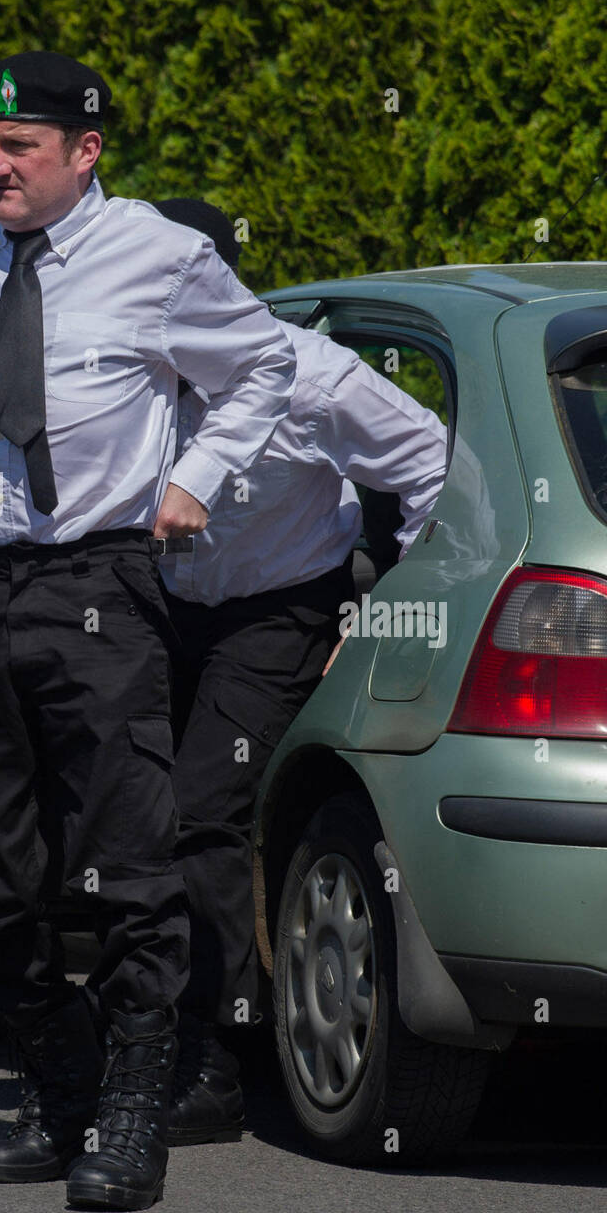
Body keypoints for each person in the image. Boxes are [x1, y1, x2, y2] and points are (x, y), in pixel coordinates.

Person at [0, 53, 296, 1211]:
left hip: (98, 579)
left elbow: (263, 365)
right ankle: (59, 1075)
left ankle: (133, 1101)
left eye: (20, 148)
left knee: (123, 855)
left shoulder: (162, 255)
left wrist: (200, 471)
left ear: (87, 151)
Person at [146, 199, 449, 1145]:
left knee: (202, 812)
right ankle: (138, 1031)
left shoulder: (312, 377)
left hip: (278, 612)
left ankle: (216, 1061)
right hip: (160, 605)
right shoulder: (130, 378)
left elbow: (428, 461)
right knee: (123, 808)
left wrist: (394, 600)